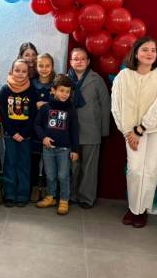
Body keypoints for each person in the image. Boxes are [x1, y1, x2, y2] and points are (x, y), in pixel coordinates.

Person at [111, 37, 157, 228]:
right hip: (131, 130)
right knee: (135, 169)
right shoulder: (123, 76)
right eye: (145, 49)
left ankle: (142, 210)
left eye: (153, 50)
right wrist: (127, 131)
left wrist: (141, 128)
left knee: (151, 170)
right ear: (136, 53)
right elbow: (116, 106)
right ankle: (133, 207)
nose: (149, 53)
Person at [67, 48, 110, 209]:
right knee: (72, 165)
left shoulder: (96, 79)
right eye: (75, 59)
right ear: (70, 62)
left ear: (88, 61)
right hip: (70, 130)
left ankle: (86, 198)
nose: (79, 61)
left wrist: (104, 130)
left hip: (92, 129)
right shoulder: (64, 79)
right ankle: (70, 194)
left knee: (89, 166)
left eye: (82, 59)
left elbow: (105, 104)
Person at [34, 74, 79, 215]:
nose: (65, 94)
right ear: (53, 90)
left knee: (63, 175)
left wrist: (75, 149)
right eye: (61, 90)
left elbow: (74, 130)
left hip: (64, 149)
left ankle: (64, 199)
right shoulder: (45, 108)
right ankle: (51, 197)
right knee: (50, 175)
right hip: (48, 149)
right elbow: (37, 125)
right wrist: (44, 138)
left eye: (67, 91)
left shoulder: (71, 109)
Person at [0, 59, 38, 207]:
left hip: (26, 135)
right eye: (17, 71)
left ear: (28, 73)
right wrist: (13, 132)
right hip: (10, 134)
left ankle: (22, 194)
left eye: (24, 71)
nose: (20, 74)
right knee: (10, 163)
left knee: (24, 164)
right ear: (11, 71)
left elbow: (33, 114)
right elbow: (3, 113)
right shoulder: (4, 90)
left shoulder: (31, 90)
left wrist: (24, 133)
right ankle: (9, 194)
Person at [30, 53, 56, 200]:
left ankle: (48, 191)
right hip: (34, 128)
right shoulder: (31, 83)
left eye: (47, 66)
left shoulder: (56, 84)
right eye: (41, 65)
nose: (44, 69)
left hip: (50, 129)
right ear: (36, 66)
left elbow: (62, 103)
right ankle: (34, 189)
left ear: (52, 67)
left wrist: (46, 105)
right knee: (33, 160)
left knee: (49, 163)